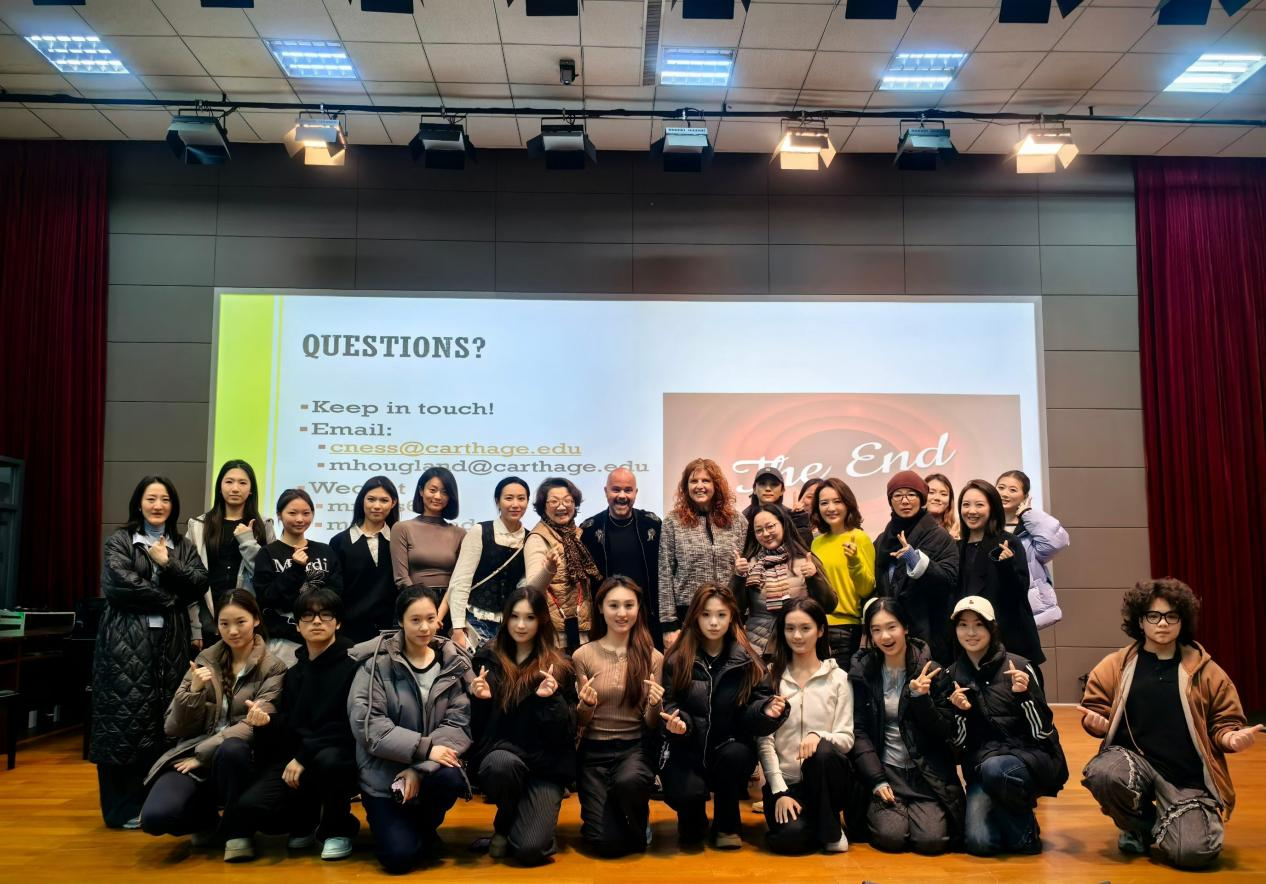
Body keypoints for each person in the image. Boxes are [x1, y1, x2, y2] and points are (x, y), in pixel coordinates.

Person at [1079, 578, 1260, 869]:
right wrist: (1097, 723)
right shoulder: (1116, 664)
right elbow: (1096, 708)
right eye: (1153, 616)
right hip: (1134, 762)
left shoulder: (1206, 670)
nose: (1162, 623)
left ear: (1182, 621)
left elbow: (1225, 721)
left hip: (1185, 776)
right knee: (1104, 774)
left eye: (1171, 616)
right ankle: (1138, 826)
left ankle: (1174, 820)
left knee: (1195, 853)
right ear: (1141, 621)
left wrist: (1230, 738)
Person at [91, 476, 209, 829]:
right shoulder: (122, 540)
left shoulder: (181, 544)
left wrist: (168, 563)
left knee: (162, 718)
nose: (158, 505)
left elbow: (198, 583)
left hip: (170, 643)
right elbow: (118, 584)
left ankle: (153, 801)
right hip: (125, 642)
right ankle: (120, 809)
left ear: (173, 505)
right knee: (124, 718)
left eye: (165, 499)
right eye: (151, 498)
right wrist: (170, 598)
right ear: (139, 503)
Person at [139, 590, 287, 862]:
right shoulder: (204, 659)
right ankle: (207, 822)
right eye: (224, 623)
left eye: (240, 622)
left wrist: (202, 755)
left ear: (256, 620)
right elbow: (172, 727)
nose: (233, 631)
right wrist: (194, 691)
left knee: (232, 749)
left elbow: (251, 726)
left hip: (242, 757)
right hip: (194, 752)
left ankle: (237, 832)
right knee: (155, 818)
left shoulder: (273, 667)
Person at [222, 588, 360, 861]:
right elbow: (291, 727)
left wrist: (303, 756)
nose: (317, 621)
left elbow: (347, 726)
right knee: (253, 808)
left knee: (329, 760)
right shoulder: (295, 673)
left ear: (338, 623)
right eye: (308, 616)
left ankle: (338, 829)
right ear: (297, 626)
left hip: (340, 755)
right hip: (300, 755)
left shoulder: (354, 666)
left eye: (325, 614)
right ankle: (303, 822)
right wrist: (266, 723)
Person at [348, 586, 473, 875]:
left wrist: (419, 768)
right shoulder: (376, 665)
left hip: (427, 770)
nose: (424, 627)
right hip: (384, 776)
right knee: (399, 858)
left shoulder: (451, 664)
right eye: (415, 620)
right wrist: (424, 749)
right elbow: (369, 726)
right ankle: (413, 833)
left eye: (430, 618)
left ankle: (424, 827)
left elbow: (458, 724)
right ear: (400, 622)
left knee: (450, 777)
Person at [660, 583, 786, 849]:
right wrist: (677, 722)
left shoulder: (748, 659)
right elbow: (669, 703)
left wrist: (766, 711)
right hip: (688, 747)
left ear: (732, 617)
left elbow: (756, 706)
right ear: (695, 616)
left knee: (735, 755)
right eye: (706, 614)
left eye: (721, 615)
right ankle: (694, 817)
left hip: (729, 747)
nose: (714, 622)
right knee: (690, 835)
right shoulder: (676, 658)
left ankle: (727, 824)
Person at [946, 595, 1067, 857]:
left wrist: (1025, 697)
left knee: (997, 771)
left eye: (978, 624)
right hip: (981, 767)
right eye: (963, 625)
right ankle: (1005, 808)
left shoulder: (1020, 667)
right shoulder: (952, 676)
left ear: (992, 628)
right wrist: (960, 713)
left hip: (1027, 760)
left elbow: (1043, 732)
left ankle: (1025, 832)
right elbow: (956, 747)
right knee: (979, 844)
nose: (970, 632)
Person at [468, 586, 576, 866]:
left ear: (542, 620)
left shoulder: (560, 665)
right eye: (514, 616)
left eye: (529, 617)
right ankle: (506, 821)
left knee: (530, 850)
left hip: (544, 769)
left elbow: (566, 734)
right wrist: (479, 701)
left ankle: (511, 825)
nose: (520, 625)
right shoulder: (487, 660)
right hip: (504, 760)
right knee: (500, 764)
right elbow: (477, 734)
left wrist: (551, 700)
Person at [849, 597, 963, 856]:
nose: (885, 636)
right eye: (876, 630)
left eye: (891, 627)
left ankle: (918, 811)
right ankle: (893, 810)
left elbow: (945, 731)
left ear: (906, 628)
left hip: (924, 773)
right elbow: (859, 730)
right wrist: (876, 779)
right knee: (891, 837)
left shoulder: (932, 671)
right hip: (886, 770)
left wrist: (921, 699)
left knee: (932, 842)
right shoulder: (864, 672)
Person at [571, 576, 664, 857]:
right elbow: (581, 722)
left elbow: (651, 723)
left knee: (629, 787)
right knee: (603, 844)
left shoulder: (653, 657)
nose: (621, 613)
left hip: (633, 750)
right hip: (593, 753)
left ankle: (637, 817)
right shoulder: (582, 655)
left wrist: (655, 705)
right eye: (613, 605)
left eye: (628, 605)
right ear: (600, 608)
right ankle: (611, 812)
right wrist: (586, 706)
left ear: (638, 608)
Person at [757, 597, 853, 854]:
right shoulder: (772, 676)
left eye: (805, 628)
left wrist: (817, 735)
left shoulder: (839, 679)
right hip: (787, 784)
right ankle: (816, 826)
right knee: (791, 840)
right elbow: (764, 741)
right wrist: (779, 791)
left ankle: (830, 827)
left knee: (822, 752)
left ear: (820, 630)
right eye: (790, 628)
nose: (797, 636)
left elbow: (846, 739)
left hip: (826, 780)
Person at [658, 458, 748, 647]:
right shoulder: (673, 522)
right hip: (687, 616)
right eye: (693, 481)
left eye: (706, 480)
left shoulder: (737, 521)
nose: (700, 486)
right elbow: (665, 574)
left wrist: (744, 616)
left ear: (716, 485)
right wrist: (668, 624)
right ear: (686, 486)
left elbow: (744, 571)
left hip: (727, 615)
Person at [872, 470, 958, 663]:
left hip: (929, 632)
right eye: (898, 495)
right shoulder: (882, 540)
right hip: (891, 633)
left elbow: (949, 580)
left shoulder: (939, 536)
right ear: (890, 500)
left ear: (922, 499)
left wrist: (914, 559)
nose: (905, 501)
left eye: (911, 494)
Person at [956, 479, 1043, 669]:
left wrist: (1006, 565)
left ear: (993, 508)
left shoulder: (1008, 542)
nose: (971, 511)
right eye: (966, 504)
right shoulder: (957, 547)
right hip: (968, 645)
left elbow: (1019, 593)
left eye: (979, 505)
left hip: (1007, 643)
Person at [186, 460, 274, 647]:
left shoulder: (263, 525)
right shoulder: (199, 526)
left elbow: (267, 576)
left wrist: (248, 541)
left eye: (242, 483)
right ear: (219, 487)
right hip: (207, 623)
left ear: (251, 489)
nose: (235, 488)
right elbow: (189, 580)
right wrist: (195, 627)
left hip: (248, 623)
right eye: (229, 482)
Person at [733, 503, 836, 656]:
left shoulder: (805, 560)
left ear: (783, 525)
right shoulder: (750, 564)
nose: (765, 534)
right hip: (760, 649)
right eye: (759, 530)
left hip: (801, 646)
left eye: (770, 526)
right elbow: (736, 608)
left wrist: (814, 577)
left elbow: (829, 606)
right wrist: (739, 577)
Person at [254, 488, 342, 667]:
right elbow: (268, 598)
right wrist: (295, 569)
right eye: (292, 513)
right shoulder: (268, 553)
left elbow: (336, 594)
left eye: (306, 513)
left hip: (323, 637)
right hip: (283, 643)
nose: (300, 519)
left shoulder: (325, 551)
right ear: (279, 514)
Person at [580, 467, 664, 646]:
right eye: (616, 490)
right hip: (606, 622)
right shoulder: (589, 530)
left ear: (635, 493)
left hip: (647, 620)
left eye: (628, 490)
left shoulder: (652, 525)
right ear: (606, 491)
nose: (622, 496)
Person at [448, 477, 531, 650]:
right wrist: (457, 628)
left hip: (511, 625)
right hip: (476, 621)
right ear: (497, 501)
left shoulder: (530, 538)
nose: (515, 504)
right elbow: (461, 580)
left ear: (527, 502)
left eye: (521, 498)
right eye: (509, 498)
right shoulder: (480, 531)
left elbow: (524, 585)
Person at [524, 477, 600, 653]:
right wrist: (549, 569)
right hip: (553, 634)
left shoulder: (578, 534)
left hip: (582, 627)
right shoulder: (538, 538)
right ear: (543, 506)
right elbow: (532, 590)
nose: (561, 506)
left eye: (567, 500)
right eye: (554, 501)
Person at [810, 477, 876, 665]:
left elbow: (867, 589)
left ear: (848, 504)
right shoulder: (817, 543)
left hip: (846, 628)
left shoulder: (859, 538)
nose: (831, 508)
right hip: (816, 626)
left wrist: (854, 561)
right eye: (824, 503)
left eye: (837, 501)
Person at [391, 467, 466, 628]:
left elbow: (460, 580)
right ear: (421, 491)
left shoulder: (460, 533)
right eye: (433, 490)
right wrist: (424, 608)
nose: (438, 496)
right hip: (413, 605)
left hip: (449, 608)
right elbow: (401, 578)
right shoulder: (402, 528)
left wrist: (440, 613)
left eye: (445, 492)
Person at [329, 476, 400, 644]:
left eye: (384, 500)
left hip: (392, 634)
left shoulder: (400, 540)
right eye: (371, 499)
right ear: (362, 501)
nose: (377, 506)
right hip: (350, 634)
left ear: (393, 503)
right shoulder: (340, 541)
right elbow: (334, 591)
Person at [996, 470, 1069, 630]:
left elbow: (1057, 541)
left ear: (1025, 497)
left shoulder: (1031, 530)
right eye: (1000, 487)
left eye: (1012, 490)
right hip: (993, 603)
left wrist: (1027, 513)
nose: (1004, 493)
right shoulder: (985, 525)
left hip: (1024, 606)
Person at [741, 467, 813, 548]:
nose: (768, 488)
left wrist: (800, 518)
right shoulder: (743, 518)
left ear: (782, 490)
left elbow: (805, 549)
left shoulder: (793, 516)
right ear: (754, 489)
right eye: (762, 484)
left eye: (774, 484)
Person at [924, 473, 959, 541]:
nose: (937, 498)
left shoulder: (959, 530)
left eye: (943, 494)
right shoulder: (911, 526)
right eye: (931, 492)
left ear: (950, 500)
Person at [790, 477, 825, 542]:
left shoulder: (829, 527)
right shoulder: (789, 522)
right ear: (801, 497)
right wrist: (798, 516)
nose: (814, 502)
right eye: (810, 497)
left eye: (818, 498)